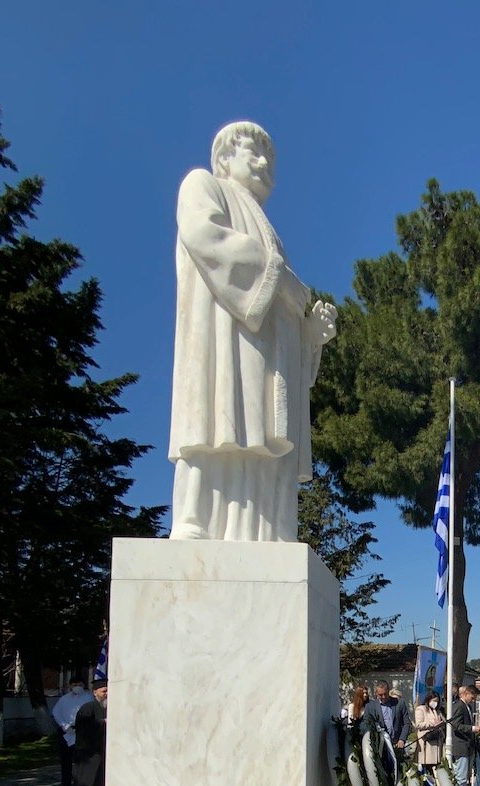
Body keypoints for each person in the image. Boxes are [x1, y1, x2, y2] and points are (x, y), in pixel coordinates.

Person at [168, 122, 338, 541]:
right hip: (222, 343)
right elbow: (204, 237)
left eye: (272, 158)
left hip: (263, 357)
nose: (265, 164)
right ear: (225, 157)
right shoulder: (202, 184)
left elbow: (282, 306)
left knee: (263, 437)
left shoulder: (268, 228)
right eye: (254, 152)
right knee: (215, 424)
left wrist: (309, 334)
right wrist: (282, 282)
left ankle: (263, 530)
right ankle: (197, 520)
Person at [73, 681, 108, 786]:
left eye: (107, 691)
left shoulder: (107, 708)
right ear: (95, 692)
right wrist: (102, 723)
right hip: (89, 756)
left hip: (102, 754)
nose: (106, 694)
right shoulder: (87, 708)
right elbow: (84, 730)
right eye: (103, 691)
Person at [51, 675, 93, 786]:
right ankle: (65, 782)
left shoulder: (88, 698)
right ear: (70, 686)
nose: (77, 687)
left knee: (82, 759)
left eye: (79, 685)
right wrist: (64, 726)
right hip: (66, 730)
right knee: (65, 758)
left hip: (82, 730)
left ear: (83, 685)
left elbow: (91, 714)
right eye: (74, 685)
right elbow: (56, 712)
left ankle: (82, 781)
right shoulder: (64, 699)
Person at [363, 680, 411, 754]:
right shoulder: (370, 707)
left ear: (389, 690)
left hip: (396, 745)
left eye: (385, 694)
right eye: (380, 694)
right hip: (379, 747)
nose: (384, 697)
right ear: (376, 693)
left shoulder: (399, 703)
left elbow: (406, 723)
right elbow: (366, 725)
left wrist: (402, 739)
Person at [450, 685, 478, 786]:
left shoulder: (468, 707)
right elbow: (455, 725)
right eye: (472, 697)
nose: (473, 700)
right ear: (466, 694)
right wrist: (472, 728)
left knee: (465, 775)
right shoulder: (459, 706)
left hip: (468, 745)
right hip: (461, 745)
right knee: (461, 776)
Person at [414, 691, 446, 771]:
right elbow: (418, 724)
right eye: (434, 701)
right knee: (426, 767)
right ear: (429, 700)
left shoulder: (437, 711)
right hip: (426, 742)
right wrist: (432, 723)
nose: (435, 703)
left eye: (437, 701)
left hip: (437, 741)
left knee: (436, 766)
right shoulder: (421, 709)